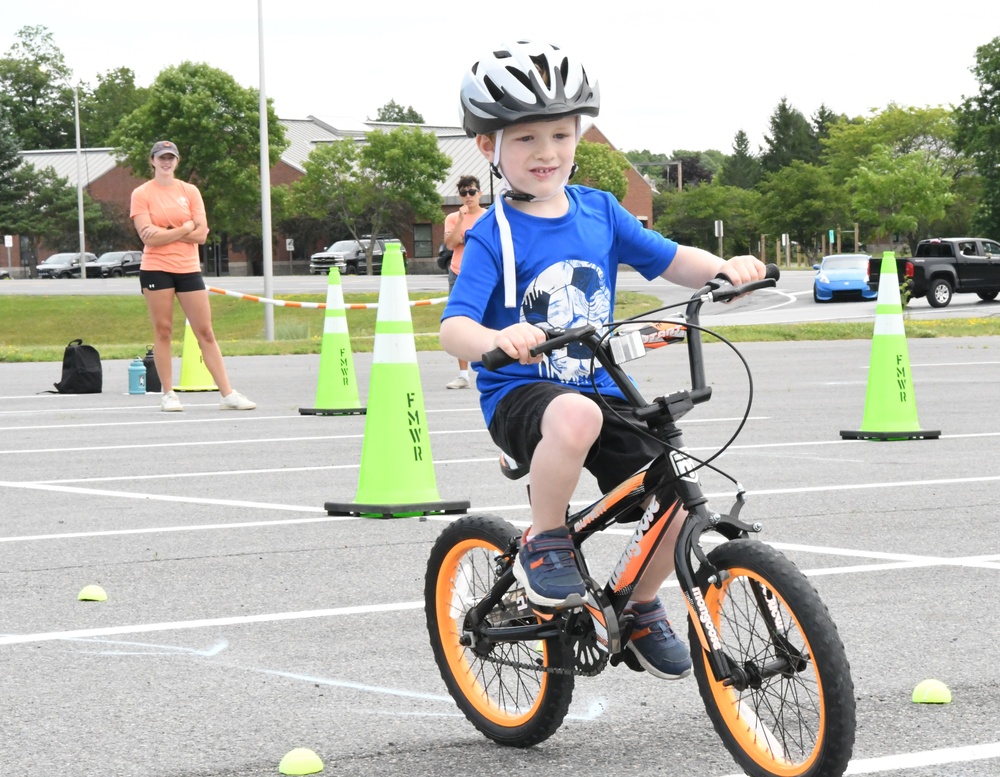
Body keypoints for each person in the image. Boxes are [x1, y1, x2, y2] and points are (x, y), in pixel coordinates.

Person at [439, 41, 766, 680]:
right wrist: (495, 341)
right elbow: (454, 327)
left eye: (561, 134)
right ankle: (545, 539)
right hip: (522, 396)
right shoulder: (493, 233)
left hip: (598, 382)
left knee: (673, 484)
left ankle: (640, 608)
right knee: (573, 418)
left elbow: (669, 258)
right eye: (526, 138)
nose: (547, 152)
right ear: (489, 148)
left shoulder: (600, 210)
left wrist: (723, 268)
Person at [130, 140, 256, 413]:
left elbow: (201, 234)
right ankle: (168, 394)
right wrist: (185, 227)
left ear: (177, 161)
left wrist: (169, 231)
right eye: (161, 157)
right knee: (163, 331)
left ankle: (227, 394)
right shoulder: (142, 193)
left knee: (205, 331)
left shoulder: (190, 191)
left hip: (188, 268)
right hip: (156, 268)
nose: (166, 162)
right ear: (152, 160)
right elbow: (147, 236)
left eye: (171, 158)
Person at [442, 175, 487, 389]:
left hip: (482, 273)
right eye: (463, 193)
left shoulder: (488, 217)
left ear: (480, 193)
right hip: (458, 271)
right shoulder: (452, 218)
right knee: (459, 321)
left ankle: (490, 368)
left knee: (486, 319)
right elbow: (451, 244)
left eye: (472, 192)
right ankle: (463, 375)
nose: (468, 197)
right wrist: (460, 222)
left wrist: (464, 237)